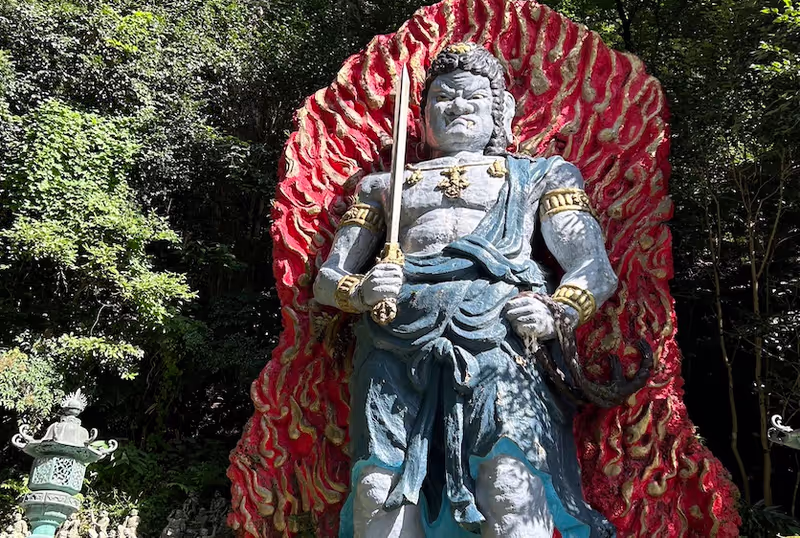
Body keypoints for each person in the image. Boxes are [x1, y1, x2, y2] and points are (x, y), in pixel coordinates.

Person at [314, 42, 622, 538]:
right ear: (423, 114)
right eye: (442, 98)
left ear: (500, 110)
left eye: (472, 98)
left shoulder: (540, 175)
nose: (457, 107)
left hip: (498, 332)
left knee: (508, 483)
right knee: (380, 490)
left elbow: (592, 266)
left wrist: (556, 311)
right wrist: (361, 289)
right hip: (396, 334)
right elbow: (327, 280)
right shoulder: (383, 186)